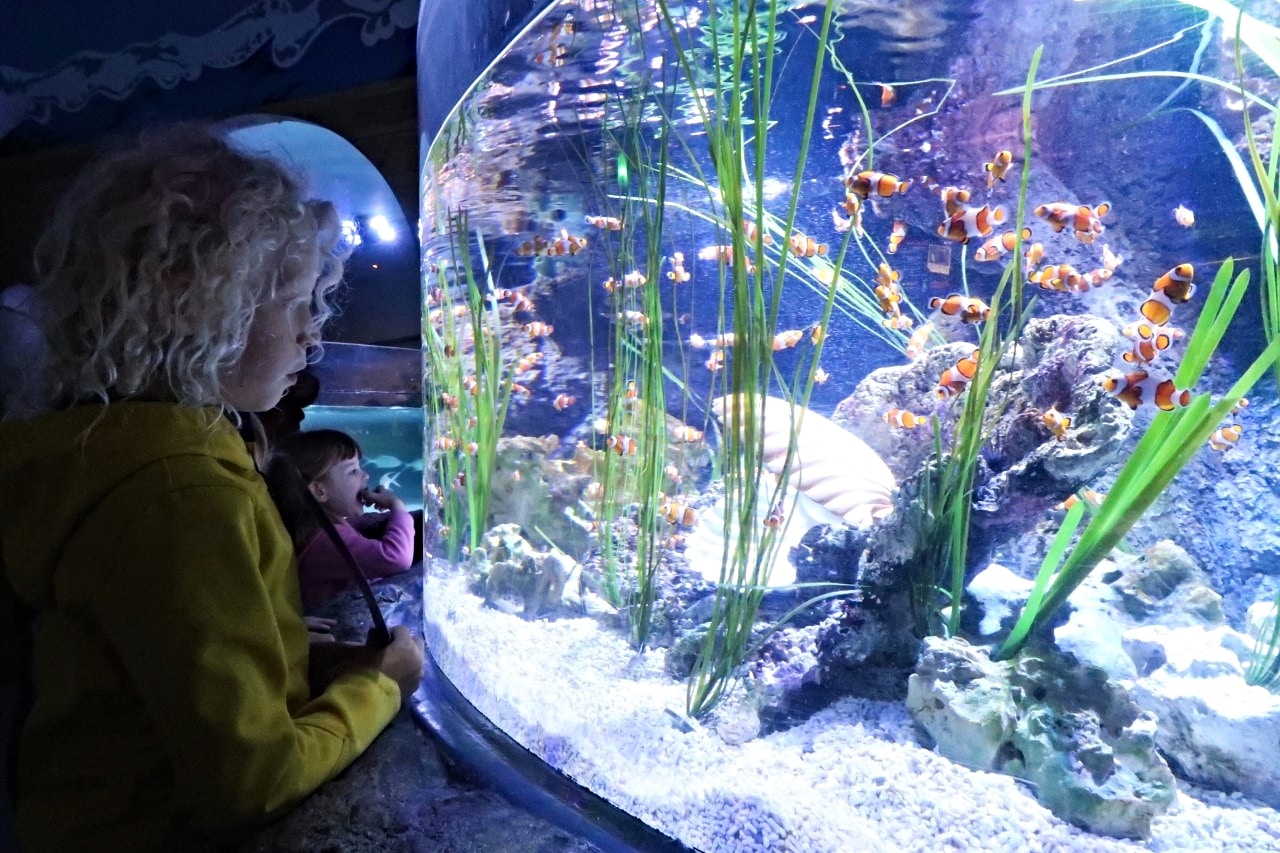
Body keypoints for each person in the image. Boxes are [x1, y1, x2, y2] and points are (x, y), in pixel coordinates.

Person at [0, 124, 425, 853]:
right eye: (294, 303)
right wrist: (379, 683)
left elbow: (150, 678)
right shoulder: (179, 491)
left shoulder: (122, 447)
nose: (311, 338)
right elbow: (249, 783)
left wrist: (293, 657)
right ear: (197, 304)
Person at [265, 428, 417, 607]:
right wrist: (398, 508)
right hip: (339, 628)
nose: (366, 475)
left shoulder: (315, 528)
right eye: (353, 471)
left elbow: (353, 525)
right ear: (319, 490)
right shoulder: (325, 540)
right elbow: (396, 558)